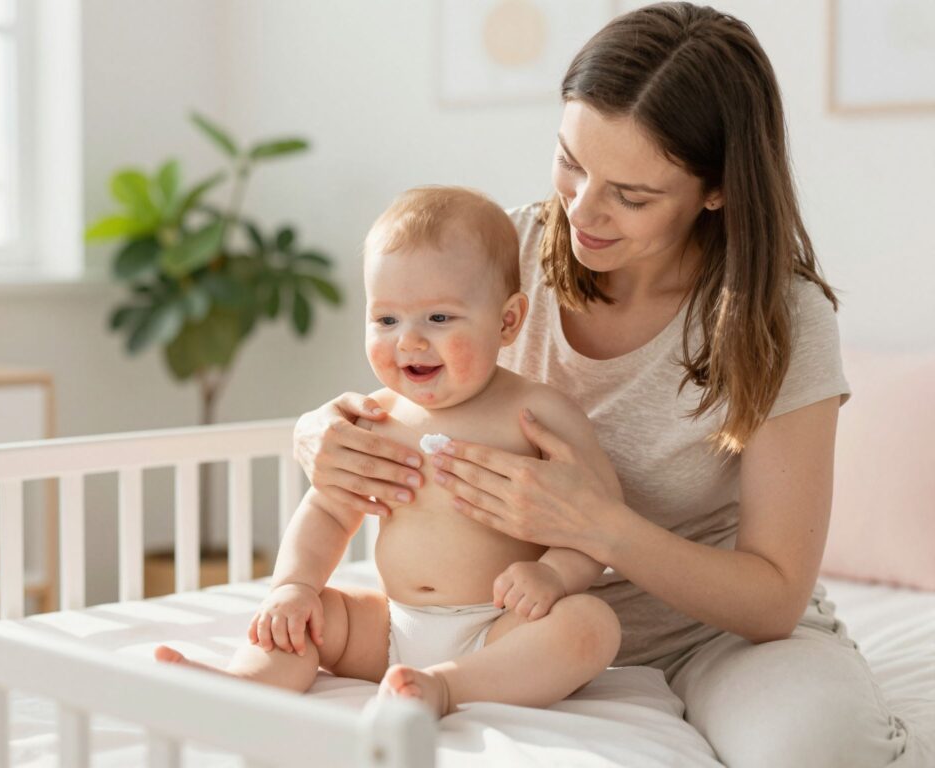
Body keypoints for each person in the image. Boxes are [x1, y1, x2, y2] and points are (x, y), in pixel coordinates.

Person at [291, 4, 916, 767]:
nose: (582, 210)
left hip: (715, 637)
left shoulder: (781, 315)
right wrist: (318, 436)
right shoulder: (507, 250)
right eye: (571, 162)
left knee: (824, 753)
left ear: (715, 190)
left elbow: (775, 595)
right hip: (497, 628)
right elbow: (401, 383)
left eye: (632, 193)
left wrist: (600, 526)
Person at [157, 185, 623, 717]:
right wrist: (294, 586)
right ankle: (240, 687)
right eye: (386, 320)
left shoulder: (540, 413)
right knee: (301, 619)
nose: (409, 341)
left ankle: (448, 688)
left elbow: (600, 522)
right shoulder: (374, 419)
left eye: (439, 319)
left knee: (590, 626)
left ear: (508, 320)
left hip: (502, 627)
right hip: (388, 629)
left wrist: (555, 576)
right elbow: (329, 510)